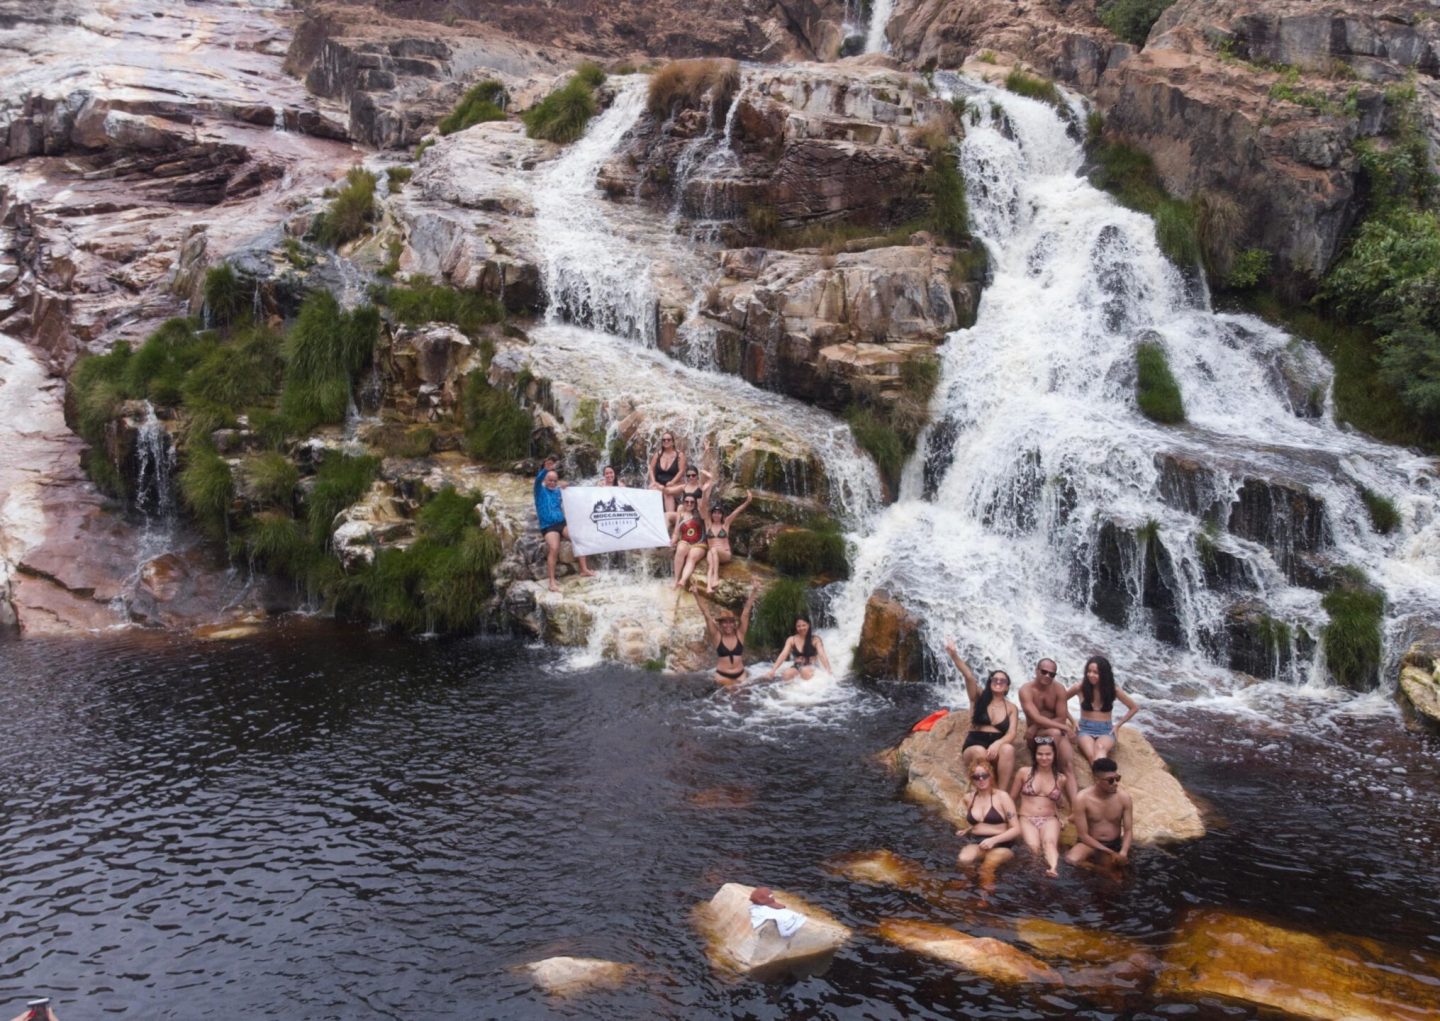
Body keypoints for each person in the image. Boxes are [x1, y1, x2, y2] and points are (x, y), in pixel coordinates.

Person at [943, 638, 1022, 791]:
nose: (998, 682)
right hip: (974, 745)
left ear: (1007, 687)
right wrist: (954, 655)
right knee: (980, 751)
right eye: (995, 679)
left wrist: (998, 744)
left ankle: (1002, 793)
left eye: (1002, 681)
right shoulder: (978, 697)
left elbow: (1012, 732)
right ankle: (991, 791)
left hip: (996, 747)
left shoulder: (1012, 707)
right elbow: (969, 677)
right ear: (990, 682)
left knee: (1009, 749)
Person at [1008, 736, 1076, 877]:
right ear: (1035, 755)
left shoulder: (1061, 778)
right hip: (1027, 818)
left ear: (1054, 755)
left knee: (1049, 843)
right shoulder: (1024, 773)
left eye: (1048, 754)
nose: (1044, 758)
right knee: (1034, 848)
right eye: (1040, 754)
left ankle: (1053, 869)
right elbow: (1010, 799)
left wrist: (1060, 816)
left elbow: (1057, 802)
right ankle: (1035, 874)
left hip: (1049, 819)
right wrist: (1010, 819)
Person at [956, 764, 1021, 889]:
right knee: (964, 859)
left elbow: (1016, 829)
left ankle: (984, 897)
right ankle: (966, 883)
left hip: (1001, 842)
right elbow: (978, 822)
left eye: (984, 776)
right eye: (976, 777)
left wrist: (993, 840)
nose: (981, 779)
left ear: (991, 776)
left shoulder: (1002, 797)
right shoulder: (969, 798)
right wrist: (967, 829)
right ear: (971, 779)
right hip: (977, 842)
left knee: (987, 865)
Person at [534, 456, 594, 592]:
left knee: (578, 537)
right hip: (548, 527)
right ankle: (552, 582)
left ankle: (584, 569)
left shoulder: (557, 491)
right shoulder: (539, 491)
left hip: (561, 523)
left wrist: (566, 487)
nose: (552, 483)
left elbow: (572, 494)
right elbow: (537, 481)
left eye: (555, 481)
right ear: (545, 480)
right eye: (550, 480)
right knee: (554, 547)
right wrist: (545, 470)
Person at [1066, 654, 1139, 765]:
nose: (1091, 675)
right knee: (1091, 755)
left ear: (1104, 674)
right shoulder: (1079, 687)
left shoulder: (1113, 690)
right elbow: (1060, 701)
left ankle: (1104, 780)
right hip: (1085, 729)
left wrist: (1118, 725)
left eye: (1096, 672)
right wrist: (1072, 720)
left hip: (1106, 730)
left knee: (1100, 749)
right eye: (1089, 671)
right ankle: (1104, 780)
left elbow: (1134, 708)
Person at [1065, 757, 1133, 869]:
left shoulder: (1124, 798)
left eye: (1117, 778)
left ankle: (1099, 869)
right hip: (1088, 843)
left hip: (1114, 843)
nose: (1115, 783)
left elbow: (1128, 830)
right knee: (1071, 860)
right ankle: (1096, 868)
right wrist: (1110, 852)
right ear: (1096, 779)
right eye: (1110, 780)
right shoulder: (1082, 799)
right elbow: (1083, 835)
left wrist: (1123, 852)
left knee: (1111, 879)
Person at [1019, 657, 1075, 776]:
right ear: (1036, 671)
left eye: (1052, 674)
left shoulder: (1059, 688)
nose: (1047, 676)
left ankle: (1075, 795)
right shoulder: (1026, 690)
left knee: (1068, 766)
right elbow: (1036, 717)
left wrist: (1035, 726)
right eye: (1044, 672)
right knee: (1055, 732)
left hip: (1050, 732)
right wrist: (1065, 728)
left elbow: (1062, 717)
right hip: (1036, 736)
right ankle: (1049, 772)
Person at [693, 583, 759, 684]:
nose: (728, 625)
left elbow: (746, 612)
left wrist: (754, 591)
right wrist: (696, 594)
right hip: (722, 676)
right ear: (720, 624)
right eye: (724, 622)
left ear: (734, 623)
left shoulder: (740, 634)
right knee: (730, 691)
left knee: (745, 696)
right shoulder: (717, 636)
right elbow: (706, 614)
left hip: (741, 674)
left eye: (730, 622)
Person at [701, 488, 752, 589]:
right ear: (712, 514)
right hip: (712, 553)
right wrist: (704, 492)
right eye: (714, 512)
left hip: (725, 554)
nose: (716, 515)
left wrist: (747, 501)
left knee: (713, 551)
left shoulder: (726, 524)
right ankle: (708, 587)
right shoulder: (708, 523)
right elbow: (703, 506)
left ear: (722, 515)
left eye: (719, 513)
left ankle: (716, 577)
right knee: (710, 561)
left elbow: (737, 511)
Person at [765, 615, 831, 680]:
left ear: (809, 625)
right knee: (786, 674)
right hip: (797, 666)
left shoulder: (815, 640)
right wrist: (773, 670)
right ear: (796, 627)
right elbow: (783, 655)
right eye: (798, 626)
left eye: (804, 625)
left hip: (812, 666)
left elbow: (822, 655)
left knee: (805, 672)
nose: (801, 628)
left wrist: (828, 670)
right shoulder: (791, 639)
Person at [670, 491, 708, 589]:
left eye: (692, 502)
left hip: (699, 543)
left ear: (695, 503)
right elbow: (676, 531)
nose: (689, 504)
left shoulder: (700, 512)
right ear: (683, 502)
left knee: (692, 556)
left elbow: (704, 502)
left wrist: (705, 489)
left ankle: (683, 580)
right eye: (687, 502)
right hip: (685, 541)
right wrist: (673, 540)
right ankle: (675, 580)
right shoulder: (681, 512)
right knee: (680, 550)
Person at [648, 430, 686, 513]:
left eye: (668, 439)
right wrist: (654, 481)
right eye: (664, 440)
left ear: (673, 442)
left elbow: (681, 471)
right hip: (659, 483)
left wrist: (672, 482)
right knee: (652, 490)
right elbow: (651, 468)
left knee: (667, 493)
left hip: (674, 484)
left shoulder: (679, 455)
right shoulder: (658, 454)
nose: (666, 441)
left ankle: (669, 517)